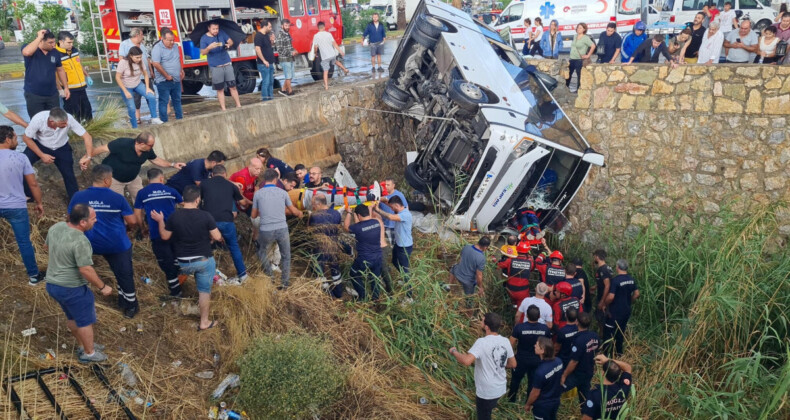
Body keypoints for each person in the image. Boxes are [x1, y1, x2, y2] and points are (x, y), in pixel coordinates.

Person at [68, 165, 139, 318]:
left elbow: (70, 219)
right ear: (107, 180)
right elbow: (132, 221)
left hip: (88, 244)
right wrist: (128, 229)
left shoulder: (78, 197)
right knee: (124, 275)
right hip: (116, 244)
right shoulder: (117, 198)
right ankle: (130, 306)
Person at [45, 204, 112, 363]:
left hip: (53, 284)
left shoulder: (56, 227)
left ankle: (83, 345)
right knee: (84, 320)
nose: (95, 221)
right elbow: (86, 270)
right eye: (93, 219)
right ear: (83, 222)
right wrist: (102, 286)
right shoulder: (81, 241)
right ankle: (89, 354)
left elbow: (47, 246)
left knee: (73, 317)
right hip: (72, 288)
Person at [151, 185, 222, 331]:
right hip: (203, 261)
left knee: (194, 274)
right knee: (204, 291)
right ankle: (204, 322)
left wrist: (160, 221)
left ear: (183, 200)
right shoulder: (206, 216)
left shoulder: (174, 216)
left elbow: (165, 236)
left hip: (183, 263)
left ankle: (181, 292)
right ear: (198, 200)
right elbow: (217, 237)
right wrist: (211, 236)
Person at [449, 313, 516, 420]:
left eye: (482, 320)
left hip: (486, 391)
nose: (480, 321)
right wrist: (499, 365)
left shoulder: (482, 342)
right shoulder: (505, 341)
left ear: (487, 327)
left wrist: (454, 351)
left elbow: (467, 361)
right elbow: (513, 364)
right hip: (500, 387)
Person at [0, 125, 44, 285]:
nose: (17, 140)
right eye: (15, 137)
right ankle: (34, 276)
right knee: (24, 241)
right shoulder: (20, 158)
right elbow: (33, 185)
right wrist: (38, 203)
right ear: (7, 139)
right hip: (16, 206)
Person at [23, 107, 93, 201]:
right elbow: (26, 138)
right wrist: (42, 155)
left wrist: (88, 157)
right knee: (23, 163)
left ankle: (75, 202)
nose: (66, 124)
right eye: (63, 124)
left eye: (66, 122)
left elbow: (87, 137)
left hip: (62, 147)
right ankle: (28, 196)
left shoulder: (68, 119)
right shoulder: (38, 119)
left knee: (69, 174)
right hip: (40, 145)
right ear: (52, 122)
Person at [133, 168, 184, 297]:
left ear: (148, 180)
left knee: (166, 263)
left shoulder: (142, 193)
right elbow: (185, 204)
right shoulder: (171, 191)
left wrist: (142, 227)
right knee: (177, 257)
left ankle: (176, 291)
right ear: (161, 178)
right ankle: (180, 279)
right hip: (175, 231)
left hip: (157, 234)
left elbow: (137, 214)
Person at [91, 132, 185, 200]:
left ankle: (140, 221)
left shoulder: (148, 150)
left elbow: (155, 159)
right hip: (114, 178)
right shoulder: (122, 144)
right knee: (119, 201)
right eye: (150, 145)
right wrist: (87, 157)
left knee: (140, 197)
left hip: (133, 178)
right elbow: (102, 148)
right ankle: (126, 225)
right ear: (140, 144)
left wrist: (173, 164)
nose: (152, 147)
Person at [252, 169, 303, 288]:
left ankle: (270, 277)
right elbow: (293, 211)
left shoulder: (258, 194)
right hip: (282, 229)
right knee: (286, 256)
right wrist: (300, 213)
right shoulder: (283, 193)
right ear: (275, 179)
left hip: (266, 230)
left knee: (261, 251)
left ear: (264, 179)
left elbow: (254, 215)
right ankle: (285, 284)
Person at [200, 164, 249, 282]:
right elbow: (243, 203)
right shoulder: (230, 185)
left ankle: (210, 276)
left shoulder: (204, 184)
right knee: (234, 247)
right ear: (225, 174)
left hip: (209, 222)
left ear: (212, 174)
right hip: (227, 221)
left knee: (205, 249)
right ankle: (243, 275)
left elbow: (197, 200)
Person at [22, 29, 69, 119]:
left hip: (52, 95)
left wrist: (65, 87)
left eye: (54, 42)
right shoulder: (30, 48)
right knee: (38, 121)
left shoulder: (55, 52)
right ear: (41, 41)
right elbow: (27, 52)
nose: (53, 45)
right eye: (50, 42)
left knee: (55, 120)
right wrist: (39, 36)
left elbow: (60, 70)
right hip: (34, 94)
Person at [509, 305, 551, 403]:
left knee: (515, 381)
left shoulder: (519, 327)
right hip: (537, 361)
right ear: (539, 316)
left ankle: (511, 400)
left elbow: (510, 343)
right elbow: (548, 344)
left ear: (526, 316)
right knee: (532, 383)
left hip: (520, 360)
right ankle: (529, 403)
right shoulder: (544, 329)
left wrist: (510, 357)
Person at [344, 204, 386, 299]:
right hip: (378, 256)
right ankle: (375, 298)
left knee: (354, 274)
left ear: (358, 216)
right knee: (375, 277)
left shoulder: (357, 227)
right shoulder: (376, 222)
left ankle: (363, 296)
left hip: (364, 258)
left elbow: (346, 227)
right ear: (368, 212)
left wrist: (349, 212)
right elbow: (367, 222)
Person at [373, 196, 413, 294]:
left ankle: (409, 294)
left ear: (396, 205)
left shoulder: (405, 214)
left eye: (392, 207)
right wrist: (379, 200)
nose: (391, 209)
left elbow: (390, 217)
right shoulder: (399, 211)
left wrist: (377, 210)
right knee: (394, 261)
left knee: (405, 269)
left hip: (405, 247)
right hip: (398, 244)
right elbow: (389, 203)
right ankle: (404, 278)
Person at [116, 46, 163, 127]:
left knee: (151, 96)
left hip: (137, 84)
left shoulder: (140, 62)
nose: (139, 59)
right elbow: (117, 77)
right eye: (137, 57)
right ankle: (134, 126)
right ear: (131, 56)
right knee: (132, 108)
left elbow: (145, 74)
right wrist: (125, 91)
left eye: (140, 57)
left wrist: (147, 88)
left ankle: (154, 118)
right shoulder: (123, 62)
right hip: (126, 86)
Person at [560, 312, 600, 407]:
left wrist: (564, 375)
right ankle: (586, 413)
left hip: (577, 374)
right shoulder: (595, 336)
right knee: (584, 396)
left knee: (558, 388)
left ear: (577, 322)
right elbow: (597, 353)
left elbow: (574, 362)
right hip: (588, 372)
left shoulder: (578, 340)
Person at [308, 193, 343, 297]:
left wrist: (309, 216)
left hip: (320, 247)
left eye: (313, 204)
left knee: (318, 269)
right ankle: (339, 292)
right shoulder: (337, 213)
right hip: (334, 246)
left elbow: (310, 231)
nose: (313, 206)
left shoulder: (315, 216)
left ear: (318, 204)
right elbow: (339, 228)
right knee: (335, 268)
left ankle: (328, 294)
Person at [603, 259, 640, 356]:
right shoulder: (631, 279)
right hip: (626, 311)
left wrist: (605, 304)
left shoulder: (615, 280)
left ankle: (607, 355)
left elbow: (611, 296)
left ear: (617, 267)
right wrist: (629, 302)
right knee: (620, 331)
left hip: (615, 312)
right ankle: (619, 353)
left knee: (609, 333)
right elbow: (636, 294)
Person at [200, 21, 241, 110]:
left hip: (226, 63)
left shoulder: (221, 33)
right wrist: (209, 47)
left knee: (233, 86)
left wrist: (228, 44)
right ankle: (223, 108)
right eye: (213, 29)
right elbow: (203, 52)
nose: (216, 31)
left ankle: (238, 105)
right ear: (209, 28)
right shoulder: (204, 38)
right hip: (215, 66)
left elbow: (231, 41)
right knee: (220, 89)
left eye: (217, 29)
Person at [581, 355, 633, 420]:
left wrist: (607, 361)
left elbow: (586, 419)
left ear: (603, 373)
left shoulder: (595, 395)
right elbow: (627, 367)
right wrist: (608, 360)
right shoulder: (623, 388)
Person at [56, 31, 92, 122]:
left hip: (81, 87)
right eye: (69, 42)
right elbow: (55, 74)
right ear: (61, 41)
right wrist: (60, 88)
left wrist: (87, 75)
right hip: (69, 89)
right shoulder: (56, 54)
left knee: (87, 110)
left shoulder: (74, 50)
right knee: (74, 113)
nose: (71, 45)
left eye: (72, 42)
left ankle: (90, 129)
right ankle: (75, 133)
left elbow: (79, 64)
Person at [119, 28, 152, 126]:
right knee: (136, 99)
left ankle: (153, 115)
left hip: (146, 75)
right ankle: (137, 118)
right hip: (134, 77)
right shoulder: (125, 44)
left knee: (150, 95)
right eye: (142, 35)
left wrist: (150, 71)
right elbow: (121, 59)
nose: (143, 37)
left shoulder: (142, 45)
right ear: (137, 35)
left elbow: (146, 58)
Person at [524, 337, 564, 420]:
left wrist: (528, 404)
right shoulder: (559, 361)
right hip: (555, 401)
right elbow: (560, 379)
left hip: (542, 406)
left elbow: (535, 393)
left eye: (537, 345)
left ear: (542, 351)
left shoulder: (540, 372)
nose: (534, 345)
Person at [151, 28, 184, 122]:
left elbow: (177, 59)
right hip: (164, 81)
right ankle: (164, 121)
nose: (172, 42)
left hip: (176, 79)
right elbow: (156, 64)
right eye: (169, 40)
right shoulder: (157, 48)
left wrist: (181, 70)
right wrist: (166, 76)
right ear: (163, 39)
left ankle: (180, 119)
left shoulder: (175, 46)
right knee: (164, 101)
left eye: (173, 40)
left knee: (177, 100)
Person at [312, 21, 348, 90]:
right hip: (332, 54)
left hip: (325, 57)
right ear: (324, 27)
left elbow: (315, 47)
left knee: (325, 71)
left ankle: (326, 86)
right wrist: (340, 51)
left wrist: (315, 53)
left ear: (318, 28)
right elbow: (334, 44)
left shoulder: (316, 36)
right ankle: (345, 69)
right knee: (336, 62)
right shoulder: (329, 34)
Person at [498, 241, 533, 309]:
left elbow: (498, 265)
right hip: (523, 292)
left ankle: (511, 308)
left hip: (510, 291)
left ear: (517, 249)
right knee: (522, 309)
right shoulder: (530, 262)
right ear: (527, 252)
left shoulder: (510, 260)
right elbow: (531, 269)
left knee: (512, 302)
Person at [567, 23, 594, 93]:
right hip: (572, 58)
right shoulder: (575, 36)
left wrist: (588, 55)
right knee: (568, 74)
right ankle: (566, 88)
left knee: (579, 75)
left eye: (580, 28)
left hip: (579, 59)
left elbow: (593, 46)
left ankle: (578, 90)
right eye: (578, 27)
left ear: (584, 29)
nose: (578, 29)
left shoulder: (585, 38)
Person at [592, 249, 613, 333]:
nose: (594, 258)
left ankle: (603, 336)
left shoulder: (603, 270)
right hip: (604, 296)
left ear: (597, 257)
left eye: (594, 256)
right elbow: (606, 282)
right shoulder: (607, 268)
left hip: (604, 297)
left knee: (602, 318)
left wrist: (602, 301)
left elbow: (607, 285)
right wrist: (596, 286)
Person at [275, 19, 298, 96]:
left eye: (288, 25)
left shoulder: (287, 34)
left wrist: (294, 50)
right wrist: (291, 53)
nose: (287, 27)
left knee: (290, 75)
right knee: (288, 76)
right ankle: (290, 91)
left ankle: (283, 90)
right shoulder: (280, 35)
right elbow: (280, 49)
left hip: (290, 58)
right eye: (286, 25)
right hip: (284, 59)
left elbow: (289, 46)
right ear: (282, 26)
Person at [255, 21, 276, 102]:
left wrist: (272, 40)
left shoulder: (266, 35)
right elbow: (257, 49)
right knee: (266, 82)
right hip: (263, 64)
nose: (270, 28)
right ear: (265, 26)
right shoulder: (258, 36)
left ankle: (271, 98)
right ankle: (265, 99)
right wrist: (264, 60)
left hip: (270, 62)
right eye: (269, 27)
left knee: (271, 82)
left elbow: (269, 47)